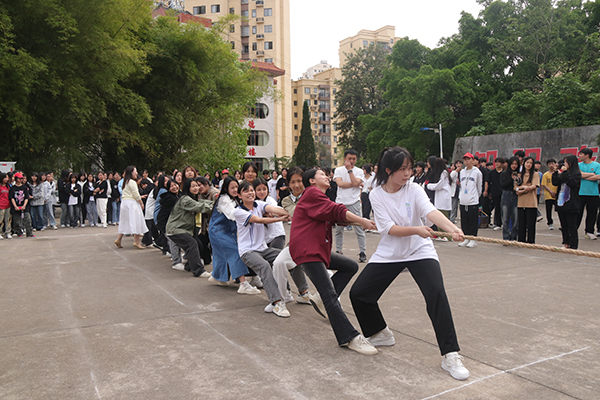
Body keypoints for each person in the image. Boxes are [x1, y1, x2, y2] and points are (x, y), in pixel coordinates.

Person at [349, 146, 469, 380]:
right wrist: (417, 229)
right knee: (359, 294)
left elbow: (430, 211)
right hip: (391, 252)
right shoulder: (376, 194)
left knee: (436, 294)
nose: (408, 173)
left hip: (419, 250)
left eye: (410, 168)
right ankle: (379, 333)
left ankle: (450, 354)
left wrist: (452, 228)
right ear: (388, 170)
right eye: (402, 169)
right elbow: (388, 229)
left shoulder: (414, 189)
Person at [289, 167, 378, 355]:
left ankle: (319, 299)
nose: (327, 177)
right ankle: (349, 337)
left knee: (350, 266)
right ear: (312, 180)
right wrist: (362, 220)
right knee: (329, 294)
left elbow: (333, 215)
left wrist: (356, 221)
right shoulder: (312, 193)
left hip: (317, 250)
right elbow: (335, 210)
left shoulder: (319, 197)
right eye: (322, 174)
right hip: (308, 250)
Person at [234, 182, 291, 317]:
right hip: (248, 252)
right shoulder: (238, 211)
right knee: (264, 266)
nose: (250, 193)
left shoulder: (259, 204)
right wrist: (281, 219)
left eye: (251, 190)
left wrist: (290, 213)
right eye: (246, 191)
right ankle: (276, 302)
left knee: (289, 256)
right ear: (239, 195)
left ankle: (303, 292)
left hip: (263, 249)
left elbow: (274, 209)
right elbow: (258, 220)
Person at [208, 177, 260, 294]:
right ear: (226, 188)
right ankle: (243, 284)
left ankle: (218, 277)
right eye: (232, 187)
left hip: (228, 232)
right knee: (235, 253)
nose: (235, 189)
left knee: (221, 256)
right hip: (218, 232)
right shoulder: (224, 200)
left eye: (237, 187)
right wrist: (251, 217)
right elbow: (232, 215)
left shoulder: (234, 199)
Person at [166, 179, 213, 277]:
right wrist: (215, 207)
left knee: (199, 244)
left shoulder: (192, 198)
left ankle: (189, 266)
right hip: (175, 229)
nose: (196, 188)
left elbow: (203, 202)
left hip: (184, 229)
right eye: (193, 186)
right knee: (192, 244)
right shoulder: (185, 199)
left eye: (197, 185)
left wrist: (215, 203)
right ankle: (198, 271)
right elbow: (200, 207)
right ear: (188, 188)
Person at [334, 149, 368, 262]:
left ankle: (362, 252)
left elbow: (355, 182)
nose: (351, 161)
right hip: (340, 202)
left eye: (354, 159)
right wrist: (355, 184)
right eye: (349, 158)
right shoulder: (338, 170)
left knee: (359, 227)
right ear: (345, 159)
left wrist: (350, 171)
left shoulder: (359, 171)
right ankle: (339, 250)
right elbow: (340, 183)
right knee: (339, 229)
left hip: (354, 202)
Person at [114, 166, 148, 249]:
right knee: (136, 221)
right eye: (135, 171)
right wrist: (141, 203)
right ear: (131, 172)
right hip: (132, 203)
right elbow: (136, 195)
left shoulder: (125, 182)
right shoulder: (132, 182)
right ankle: (137, 242)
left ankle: (119, 239)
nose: (137, 173)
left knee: (124, 221)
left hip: (124, 203)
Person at [552, 155, 581, 249]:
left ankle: (573, 245)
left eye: (566, 162)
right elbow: (555, 182)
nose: (564, 164)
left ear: (571, 163)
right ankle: (566, 242)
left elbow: (571, 183)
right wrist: (555, 172)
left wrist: (565, 172)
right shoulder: (563, 173)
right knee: (563, 225)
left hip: (571, 202)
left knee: (571, 225)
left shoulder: (576, 174)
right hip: (561, 201)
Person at [253, 178, 286, 249]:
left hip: (277, 234)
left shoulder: (270, 200)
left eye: (264, 189)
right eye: (259, 190)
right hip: (264, 238)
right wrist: (264, 214)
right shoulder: (253, 204)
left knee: (276, 254)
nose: (262, 192)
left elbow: (275, 209)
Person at [457, 153, 482, 248]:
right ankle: (466, 238)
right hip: (463, 200)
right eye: (465, 160)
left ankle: (473, 239)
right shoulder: (462, 172)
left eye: (469, 159)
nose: (467, 161)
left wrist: (475, 196)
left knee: (473, 221)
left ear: (473, 160)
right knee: (464, 221)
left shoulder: (477, 172)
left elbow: (479, 187)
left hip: (472, 200)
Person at [577, 148, 600, 239]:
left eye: (581, 154)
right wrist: (592, 174)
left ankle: (589, 231)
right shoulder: (578, 165)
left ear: (587, 155)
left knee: (592, 213)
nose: (579, 155)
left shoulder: (597, 165)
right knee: (578, 213)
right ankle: (573, 230)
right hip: (580, 192)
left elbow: (598, 176)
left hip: (593, 193)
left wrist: (584, 176)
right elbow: (578, 175)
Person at [515, 156, 540, 243]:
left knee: (531, 224)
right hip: (521, 202)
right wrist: (522, 188)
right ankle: (521, 240)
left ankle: (531, 241)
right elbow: (516, 187)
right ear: (523, 163)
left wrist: (523, 189)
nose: (529, 164)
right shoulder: (519, 175)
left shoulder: (535, 174)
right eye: (527, 162)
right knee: (521, 223)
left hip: (531, 202)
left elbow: (534, 186)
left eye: (531, 163)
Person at [426, 158, 452, 235]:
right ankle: (441, 235)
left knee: (444, 217)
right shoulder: (440, 173)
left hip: (444, 197)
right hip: (439, 197)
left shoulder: (444, 173)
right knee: (439, 215)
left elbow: (439, 185)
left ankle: (447, 235)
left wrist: (429, 186)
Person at [499, 156, 520, 241]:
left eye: (516, 164)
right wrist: (511, 179)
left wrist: (517, 179)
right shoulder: (504, 173)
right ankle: (506, 237)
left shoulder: (520, 174)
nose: (514, 166)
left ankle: (514, 237)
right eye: (512, 164)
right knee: (505, 218)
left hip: (516, 196)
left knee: (516, 219)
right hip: (506, 195)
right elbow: (502, 185)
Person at [9, 172, 34, 237]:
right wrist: (15, 206)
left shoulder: (24, 187)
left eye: (21, 178)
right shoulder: (12, 188)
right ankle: (19, 233)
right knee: (17, 221)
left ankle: (29, 233)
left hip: (24, 206)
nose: (20, 180)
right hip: (16, 206)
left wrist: (24, 205)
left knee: (27, 219)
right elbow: (12, 198)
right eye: (19, 178)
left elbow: (26, 197)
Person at [488, 158, 505, 231]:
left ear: (502, 164)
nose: (497, 164)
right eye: (496, 162)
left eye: (499, 162)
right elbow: (488, 182)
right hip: (495, 192)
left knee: (504, 209)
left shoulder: (504, 172)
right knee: (497, 208)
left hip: (503, 192)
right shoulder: (492, 172)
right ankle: (497, 223)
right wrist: (487, 191)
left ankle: (504, 223)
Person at [541, 159, 558, 230]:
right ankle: (550, 223)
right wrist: (551, 191)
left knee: (560, 210)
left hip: (557, 194)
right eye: (550, 164)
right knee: (548, 210)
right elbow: (544, 184)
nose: (551, 165)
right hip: (548, 194)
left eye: (553, 163)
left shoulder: (558, 173)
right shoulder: (545, 174)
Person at [0, 172, 12, 239]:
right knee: (0, 220)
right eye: (5, 177)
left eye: (7, 178)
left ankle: (8, 232)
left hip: (8, 205)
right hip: (1, 205)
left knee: (8, 220)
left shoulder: (8, 186)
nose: (7, 179)